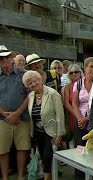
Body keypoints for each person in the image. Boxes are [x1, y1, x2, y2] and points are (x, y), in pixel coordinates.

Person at [22, 70, 65, 180]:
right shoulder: (31, 95)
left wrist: (60, 134)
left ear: (40, 79)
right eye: (29, 83)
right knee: (43, 157)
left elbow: (60, 115)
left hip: (51, 133)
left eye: (34, 81)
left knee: (47, 158)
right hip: (37, 133)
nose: (33, 84)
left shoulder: (52, 93)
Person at [0, 45, 30, 180]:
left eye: (6, 57)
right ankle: (5, 177)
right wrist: (5, 114)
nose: (4, 60)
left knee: (22, 148)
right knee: (2, 150)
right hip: (2, 120)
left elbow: (29, 95)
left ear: (12, 59)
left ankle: (20, 176)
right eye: (1, 58)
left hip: (22, 118)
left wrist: (17, 113)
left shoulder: (23, 74)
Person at [62, 64, 82, 148]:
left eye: (76, 72)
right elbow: (66, 103)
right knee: (76, 140)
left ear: (80, 72)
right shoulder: (67, 87)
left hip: (85, 114)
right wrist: (77, 116)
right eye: (71, 73)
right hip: (72, 115)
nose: (74, 74)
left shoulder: (85, 83)